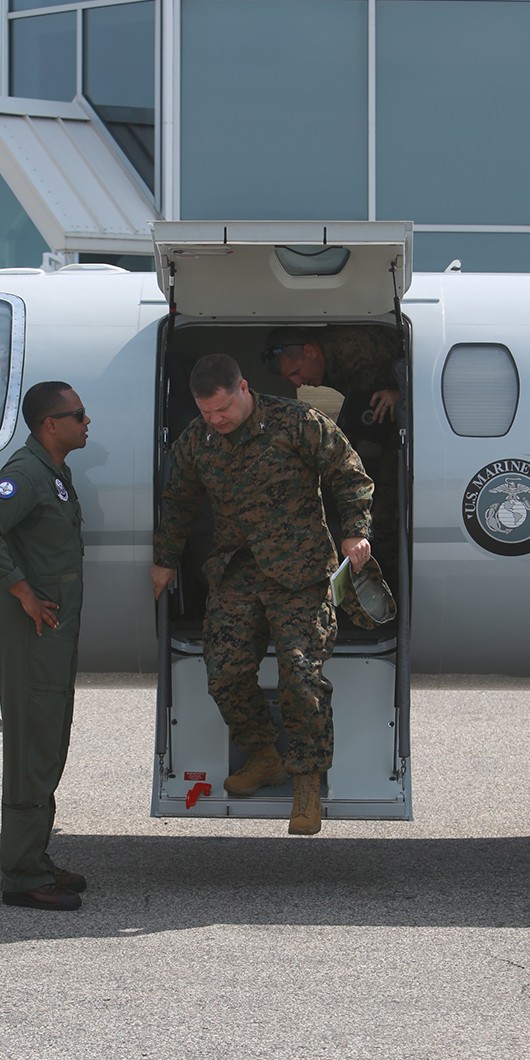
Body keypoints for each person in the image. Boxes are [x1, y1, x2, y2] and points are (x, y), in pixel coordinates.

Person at [151, 354, 379, 837]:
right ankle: (265, 755)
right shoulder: (199, 438)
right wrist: (165, 559)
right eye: (206, 412)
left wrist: (355, 531)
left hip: (300, 572)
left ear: (244, 389)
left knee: (300, 675)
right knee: (224, 673)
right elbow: (180, 500)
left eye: (222, 410)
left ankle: (307, 781)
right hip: (237, 570)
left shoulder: (296, 423)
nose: (216, 420)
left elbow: (348, 471)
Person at [0, 382, 90, 910]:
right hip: (29, 629)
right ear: (49, 424)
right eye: (77, 415)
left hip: (51, 633)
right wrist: (22, 592)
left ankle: (34, 856)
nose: (87, 421)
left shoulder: (53, 473)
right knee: (31, 748)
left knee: (48, 740)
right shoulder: (27, 473)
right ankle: (22, 875)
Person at [260, 324, 403, 578]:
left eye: (295, 372)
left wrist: (401, 394)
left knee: (387, 516)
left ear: (310, 352)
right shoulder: (328, 365)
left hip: (413, 428)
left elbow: (428, 367)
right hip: (392, 432)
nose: (297, 383)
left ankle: (394, 584)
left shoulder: (361, 346)